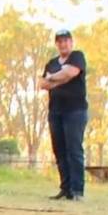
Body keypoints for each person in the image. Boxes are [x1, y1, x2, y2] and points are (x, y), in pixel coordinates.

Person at [41, 29, 89, 201]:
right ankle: (66, 188)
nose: (63, 44)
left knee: (74, 149)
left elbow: (71, 73)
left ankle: (77, 190)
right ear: (56, 44)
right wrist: (60, 78)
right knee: (59, 150)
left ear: (71, 42)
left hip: (75, 111)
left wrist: (53, 77)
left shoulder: (77, 56)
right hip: (56, 111)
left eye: (66, 40)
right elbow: (43, 84)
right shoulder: (52, 63)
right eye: (59, 41)